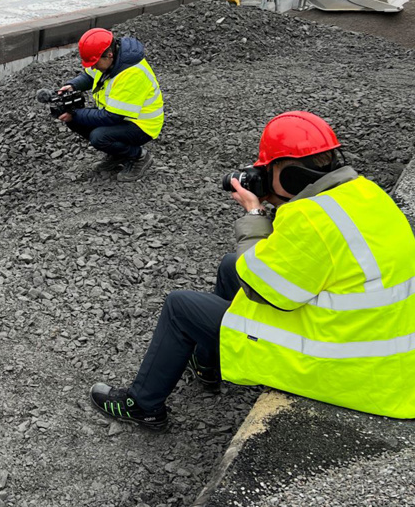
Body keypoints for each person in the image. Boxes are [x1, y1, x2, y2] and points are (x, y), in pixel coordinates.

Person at [90, 111, 415, 428]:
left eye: (267, 170)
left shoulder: (310, 219)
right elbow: (295, 263)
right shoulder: (365, 193)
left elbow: (264, 287)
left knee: (180, 306)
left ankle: (143, 405)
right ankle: (209, 364)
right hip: (378, 352)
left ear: (288, 176)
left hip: (347, 368)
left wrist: (256, 214)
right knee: (232, 266)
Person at [58, 28, 163, 182]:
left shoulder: (132, 74)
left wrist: (75, 113)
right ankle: (118, 154)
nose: (92, 67)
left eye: (94, 63)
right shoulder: (111, 61)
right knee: (76, 120)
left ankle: (139, 157)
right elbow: (89, 76)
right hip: (121, 116)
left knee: (99, 137)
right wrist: (73, 86)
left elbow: (113, 117)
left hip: (142, 124)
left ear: (109, 55)